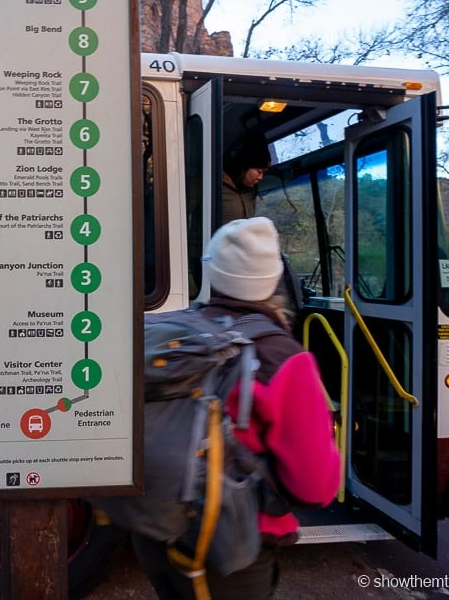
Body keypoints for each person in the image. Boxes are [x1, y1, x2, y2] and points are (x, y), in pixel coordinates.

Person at [130, 217, 341, 600]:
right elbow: (315, 488)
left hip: (155, 526)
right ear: (274, 279)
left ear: (211, 272)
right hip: (227, 543)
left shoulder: (177, 331)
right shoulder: (283, 359)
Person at [221, 135, 271, 225]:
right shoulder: (214, 184)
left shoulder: (251, 193)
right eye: (259, 171)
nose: (261, 177)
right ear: (244, 167)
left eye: (263, 173)